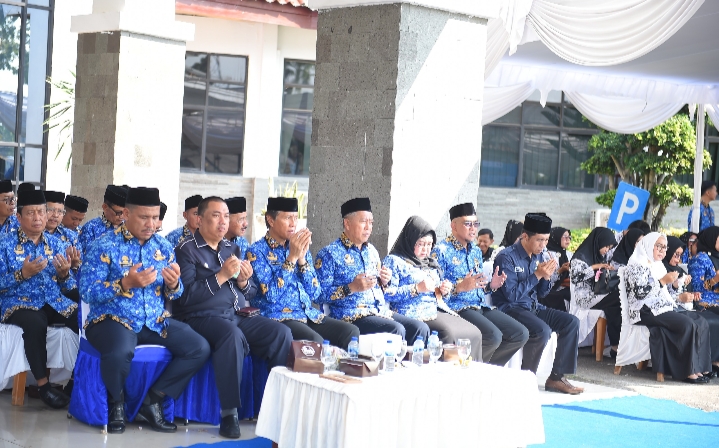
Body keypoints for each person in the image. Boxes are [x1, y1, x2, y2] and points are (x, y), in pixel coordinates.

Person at [80, 187, 210, 435]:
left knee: (199, 347)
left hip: (154, 321)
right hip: (112, 319)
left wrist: (174, 284)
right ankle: (116, 404)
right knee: (120, 351)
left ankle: (153, 400)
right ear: (127, 214)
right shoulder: (103, 244)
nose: (151, 224)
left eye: (155, 217)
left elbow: (175, 294)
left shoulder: (163, 247)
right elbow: (87, 291)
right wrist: (124, 284)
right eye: (144, 217)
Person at [174, 197, 292, 439]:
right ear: (199, 219)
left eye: (226, 216)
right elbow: (184, 298)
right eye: (216, 215)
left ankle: (276, 407)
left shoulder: (232, 248)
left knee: (280, 333)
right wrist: (221, 276)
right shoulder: (186, 249)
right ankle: (229, 413)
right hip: (202, 317)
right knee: (232, 335)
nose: (223, 221)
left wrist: (243, 281)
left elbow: (249, 293)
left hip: (236, 314)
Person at [0, 189, 78, 408]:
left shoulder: (57, 244)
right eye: (31, 213)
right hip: (19, 303)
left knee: (83, 318)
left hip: (53, 301)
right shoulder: (4, 244)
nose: (38, 218)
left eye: (41, 212)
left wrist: (64, 275)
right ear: (19, 217)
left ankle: (75, 381)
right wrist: (22, 274)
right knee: (35, 322)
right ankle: (43, 387)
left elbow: (69, 287)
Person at [247, 197, 359, 349]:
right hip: (278, 317)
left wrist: (301, 260)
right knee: (315, 340)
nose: (293, 223)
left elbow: (315, 293)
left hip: (307, 314)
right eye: (288, 218)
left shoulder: (299, 247)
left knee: (350, 332)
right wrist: (292, 258)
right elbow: (271, 296)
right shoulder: (256, 251)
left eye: (295, 217)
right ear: (270, 220)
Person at [315, 198, 429, 343]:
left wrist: (385, 281)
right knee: (395, 330)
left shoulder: (372, 251)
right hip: (351, 315)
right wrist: (351, 288)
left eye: (371, 222)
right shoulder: (329, 254)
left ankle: (409, 358)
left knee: (420, 328)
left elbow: (382, 289)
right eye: (363, 221)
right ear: (347, 223)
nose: (368, 227)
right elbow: (318, 295)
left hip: (380, 311)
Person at [492, 213, 582, 394]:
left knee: (571, 322)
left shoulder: (539, 256)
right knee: (542, 331)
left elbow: (542, 293)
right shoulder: (506, 257)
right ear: (525, 237)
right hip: (511, 309)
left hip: (533, 307)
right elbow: (511, 296)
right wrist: (537, 275)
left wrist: (546, 278)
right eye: (539, 240)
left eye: (546, 240)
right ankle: (526, 380)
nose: (543, 245)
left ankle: (556, 378)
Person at [431, 203, 528, 366]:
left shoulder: (475, 251)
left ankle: (486, 369)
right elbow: (434, 292)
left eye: (476, 224)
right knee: (493, 336)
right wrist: (459, 287)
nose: (473, 228)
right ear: (453, 226)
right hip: (457, 307)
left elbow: (477, 286)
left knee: (519, 333)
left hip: (480, 305)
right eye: (468, 224)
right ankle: (470, 368)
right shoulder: (440, 251)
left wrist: (491, 286)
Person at [383, 216, 483, 360]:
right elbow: (387, 294)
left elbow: (440, 296)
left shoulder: (430, 263)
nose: (426, 249)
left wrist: (444, 291)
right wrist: (416, 288)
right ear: (410, 240)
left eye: (429, 244)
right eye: (421, 244)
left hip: (435, 310)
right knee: (449, 334)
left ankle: (466, 370)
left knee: (473, 332)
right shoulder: (395, 261)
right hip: (411, 312)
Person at [624, 232, 712, 383]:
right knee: (687, 324)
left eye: (665, 247)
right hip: (644, 309)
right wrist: (663, 281)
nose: (662, 251)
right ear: (649, 245)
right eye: (659, 246)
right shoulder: (637, 264)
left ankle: (699, 368)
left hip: (662, 306)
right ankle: (687, 371)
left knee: (700, 321)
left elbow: (666, 293)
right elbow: (639, 293)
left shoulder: (658, 265)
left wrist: (675, 285)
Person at [664, 235, 719, 376]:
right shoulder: (661, 269)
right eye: (676, 254)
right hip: (669, 309)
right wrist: (714, 280)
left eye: (680, 255)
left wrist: (691, 295)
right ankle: (692, 368)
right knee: (696, 323)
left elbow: (690, 291)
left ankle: (703, 365)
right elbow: (660, 295)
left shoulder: (679, 270)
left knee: (701, 322)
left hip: (684, 307)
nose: (678, 259)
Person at [569, 227, 622, 353]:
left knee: (616, 304)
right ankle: (615, 345)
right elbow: (575, 277)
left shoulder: (598, 256)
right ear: (599, 241)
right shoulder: (579, 258)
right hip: (583, 298)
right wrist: (594, 267)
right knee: (618, 297)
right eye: (606, 246)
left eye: (609, 248)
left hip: (596, 293)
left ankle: (616, 345)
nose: (607, 250)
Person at [78, 185, 128, 252]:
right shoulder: (90, 228)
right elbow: (81, 256)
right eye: (118, 212)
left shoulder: (129, 229)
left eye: (125, 213)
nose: (122, 216)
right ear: (105, 207)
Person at [538, 227, 572, 312]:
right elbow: (547, 280)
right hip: (552, 290)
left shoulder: (569, 254)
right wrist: (560, 270)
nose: (568, 240)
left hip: (567, 286)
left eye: (569, 237)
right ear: (556, 237)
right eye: (565, 237)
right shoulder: (547, 255)